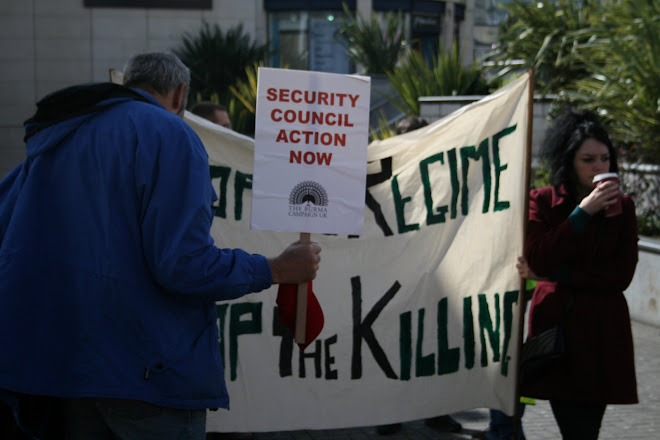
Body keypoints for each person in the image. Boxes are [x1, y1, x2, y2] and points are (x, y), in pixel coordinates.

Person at [0, 52, 321, 440]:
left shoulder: (56, 137)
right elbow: (183, 265)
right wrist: (276, 269)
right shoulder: (169, 133)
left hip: (61, 374)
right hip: (147, 373)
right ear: (180, 94)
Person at [520, 108, 639, 439]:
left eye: (605, 158)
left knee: (588, 429)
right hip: (560, 330)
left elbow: (620, 276)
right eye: (588, 159)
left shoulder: (623, 207)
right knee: (577, 429)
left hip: (602, 333)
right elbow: (539, 257)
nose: (599, 168)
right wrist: (583, 212)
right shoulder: (543, 202)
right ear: (569, 160)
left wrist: (558, 275)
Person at [376, 115, 462, 436]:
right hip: (396, 275)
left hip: (436, 273)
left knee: (435, 343)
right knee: (395, 343)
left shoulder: (441, 174)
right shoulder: (386, 174)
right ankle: (392, 413)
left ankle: (436, 411)